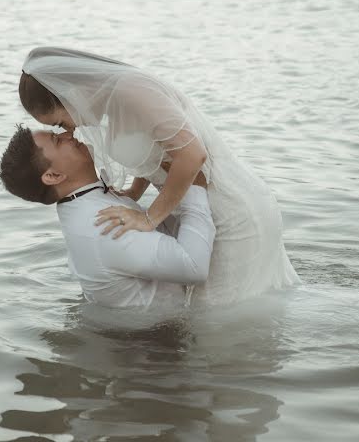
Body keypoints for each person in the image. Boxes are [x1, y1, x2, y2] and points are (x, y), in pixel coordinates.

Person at [18, 47, 300, 306]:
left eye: (59, 122)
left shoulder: (131, 91)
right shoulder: (112, 100)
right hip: (201, 208)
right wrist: (134, 193)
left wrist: (149, 217)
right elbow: (154, 150)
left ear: (67, 92)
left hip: (227, 211)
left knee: (219, 325)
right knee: (222, 322)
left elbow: (192, 155)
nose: (70, 130)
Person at [0, 124, 216, 309]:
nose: (68, 135)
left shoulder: (87, 202)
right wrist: (195, 189)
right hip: (159, 347)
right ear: (54, 176)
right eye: (57, 140)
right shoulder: (101, 225)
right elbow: (193, 267)